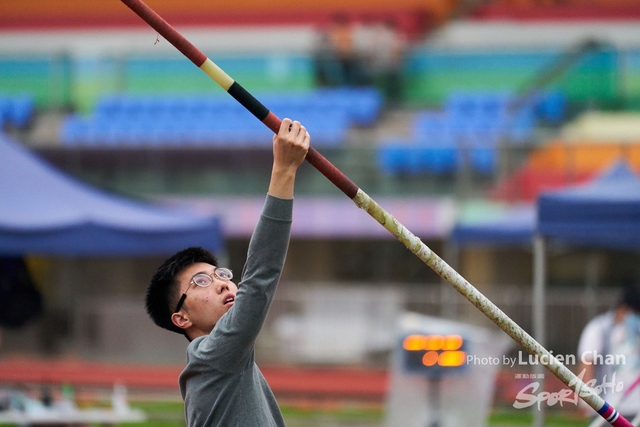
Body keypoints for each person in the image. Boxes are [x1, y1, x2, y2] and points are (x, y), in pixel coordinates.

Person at [145, 118, 310, 426]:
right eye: (201, 282)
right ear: (182, 318)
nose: (222, 285)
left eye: (221, 275)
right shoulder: (212, 355)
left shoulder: (230, 362)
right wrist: (284, 170)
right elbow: (260, 277)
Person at [577, 281, 640, 419]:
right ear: (623, 307)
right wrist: (586, 398)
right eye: (636, 312)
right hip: (609, 408)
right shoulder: (600, 328)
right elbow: (587, 362)